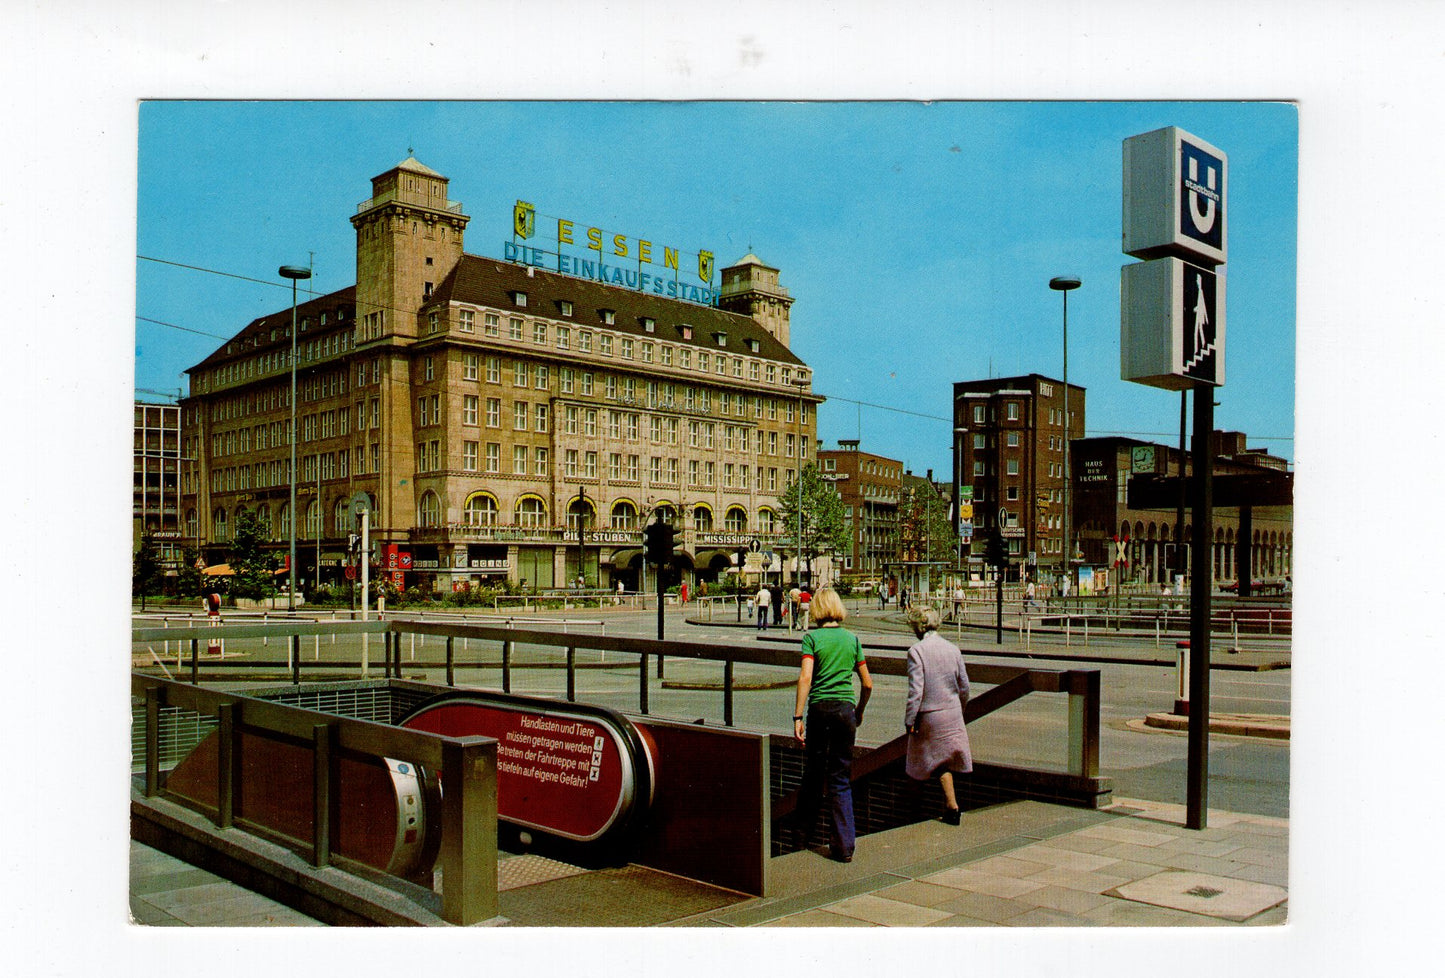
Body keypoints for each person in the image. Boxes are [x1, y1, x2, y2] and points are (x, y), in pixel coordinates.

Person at [791, 587, 872, 862]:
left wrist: (798, 717)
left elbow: (805, 678)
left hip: (820, 711)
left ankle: (801, 840)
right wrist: (858, 711)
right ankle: (844, 847)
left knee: (813, 775)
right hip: (845, 712)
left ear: (816, 610)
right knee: (840, 778)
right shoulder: (853, 640)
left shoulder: (811, 638)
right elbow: (868, 683)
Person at [903, 606, 972, 825]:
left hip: (929, 715)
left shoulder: (917, 651)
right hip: (951, 713)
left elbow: (916, 691)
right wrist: (959, 709)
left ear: (918, 626)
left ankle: (912, 811)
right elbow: (965, 686)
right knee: (943, 762)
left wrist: (910, 719)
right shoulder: (953, 649)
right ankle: (951, 806)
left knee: (917, 764)